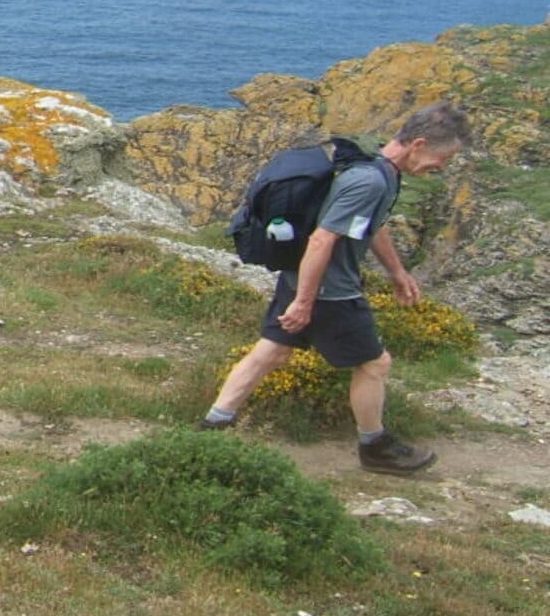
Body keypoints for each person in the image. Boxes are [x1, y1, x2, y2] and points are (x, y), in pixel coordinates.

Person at [200, 101, 471, 475]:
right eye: (444, 158)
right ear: (419, 143)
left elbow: (371, 225)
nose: (442, 166)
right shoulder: (370, 179)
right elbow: (321, 240)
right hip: (330, 291)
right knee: (375, 364)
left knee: (272, 352)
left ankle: (213, 426)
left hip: (301, 277)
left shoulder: (378, 167)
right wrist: (305, 302)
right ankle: (374, 446)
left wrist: (396, 272)